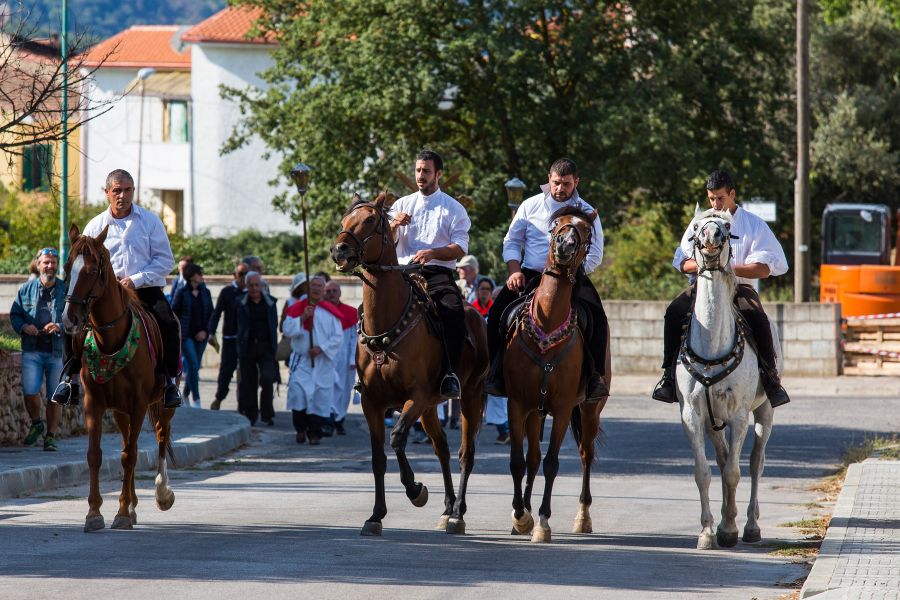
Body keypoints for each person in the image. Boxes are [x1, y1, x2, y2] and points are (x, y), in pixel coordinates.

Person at [651, 169, 791, 407]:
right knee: (674, 311)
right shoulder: (701, 222)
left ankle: (771, 379)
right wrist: (707, 265)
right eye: (711, 198)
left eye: (720, 198)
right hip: (703, 287)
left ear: (732, 194)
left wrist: (727, 267)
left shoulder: (753, 224)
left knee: (757, 317)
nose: (715, 204)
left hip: (740, 289)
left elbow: (765, 268)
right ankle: (668, 377)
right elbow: (681, 262)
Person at [51, 169, 183, 408]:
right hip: (104, 294)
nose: (123, 195)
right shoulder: (95, 225)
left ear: (133, 191)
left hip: (144, 290)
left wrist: (136, 279)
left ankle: (168, 381)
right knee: (70, 321)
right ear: (107, 193)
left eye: (128, 190)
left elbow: (165, 261)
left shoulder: (150, 221)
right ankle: (70, 380)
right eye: (117, 191)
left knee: (168, 322)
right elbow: (82, 263)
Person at [486, 158, 609, 400]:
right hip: (530, 274)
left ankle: (595, 377)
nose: (560, 189)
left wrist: (573, 271)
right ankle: (495, 371)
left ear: (576, 182)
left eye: (566, 184)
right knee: (497, 314)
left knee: (597, 317)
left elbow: (595, 253)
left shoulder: (587, 211)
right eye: (556, 183)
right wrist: (514, 271)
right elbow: (512, 242)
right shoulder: (529, 205)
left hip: (572, 276)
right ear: (549, 179)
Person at [388, 149, 471, 399]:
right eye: (417, 170)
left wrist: (433, 253)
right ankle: (367, 371)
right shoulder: (401, 204)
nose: (420, 176)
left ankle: (449, 373)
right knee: (368, 309)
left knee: (453, 312)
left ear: (438, 174)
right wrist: (392, 225)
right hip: (401, 272)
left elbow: (460, 247)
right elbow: (387, 243)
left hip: (436, 273)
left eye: (426, 171)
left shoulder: (454, 208)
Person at [10, 247, 65, 451]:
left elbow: (77, 317)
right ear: (38, 264)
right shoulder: (26, 289)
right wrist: (25, 326)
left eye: (53, 262)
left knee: (54, 396)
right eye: (46, 262)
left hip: (56, 351)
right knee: (29, 391)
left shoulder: (65, 289)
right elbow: (15, 314)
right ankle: (36, 423)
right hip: (32, 350)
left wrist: (59, 325)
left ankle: (50, 436)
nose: (50, 266)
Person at [284, 275, 344, 445]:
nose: (316, 288)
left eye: (319, 286)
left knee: (319, 398)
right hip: (302, 362)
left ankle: (315, 433)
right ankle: (301, 429)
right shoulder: (298, 308)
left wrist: (321, 348)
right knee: (298, 395)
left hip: (322, 362)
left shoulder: (330, 312)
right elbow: (287, 330)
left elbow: (338, 337)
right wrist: (302, 317)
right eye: (313, 285)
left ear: (323, 289)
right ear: (307, 289)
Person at [236, 272, 278, 425]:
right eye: (251, 285)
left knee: (267, 378)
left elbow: (273, 325)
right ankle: (251, 414)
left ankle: (267, 414)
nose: (254, 288)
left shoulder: (271, 303)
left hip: (266, 347)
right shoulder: (240, 303)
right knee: (249, 382)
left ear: (261, 285)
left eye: (256, 285)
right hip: (247, 348)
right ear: (246, 286)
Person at [171, 263, 213, 408]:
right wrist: (179, 333)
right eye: (199, 274)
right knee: (193, 364)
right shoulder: (181, 292)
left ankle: (186, 394)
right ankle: (197, 399)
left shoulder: (205, 292)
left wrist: (206, 331)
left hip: (202, 336)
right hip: (186, 336)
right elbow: (173, 312)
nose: (202, 276)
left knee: (195, 368)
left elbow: (211, 314)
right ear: (192, 276)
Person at [208, 262, 248, 410]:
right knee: (226, 371)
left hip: (246, 340)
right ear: (235, 276)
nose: (243, 278)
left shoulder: (252, 292)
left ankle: (243, 404)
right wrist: (211, 333)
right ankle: (219, 397)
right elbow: (217, 313)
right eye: (241, 274)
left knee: (245, 373)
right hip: (230, 338)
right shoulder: (227, 292)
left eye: (246, 274)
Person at [324, 280, 359, 436]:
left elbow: (354, 339)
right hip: (326, 357)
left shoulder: (350, 312)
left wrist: (353, 359)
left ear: (339, 293)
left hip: (345, 358)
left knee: (344, 390)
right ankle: (329, 419)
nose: (331, 294)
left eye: (334, 291)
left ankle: (340, 419)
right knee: (328, 389)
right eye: (328, 291)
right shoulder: (320, 311)